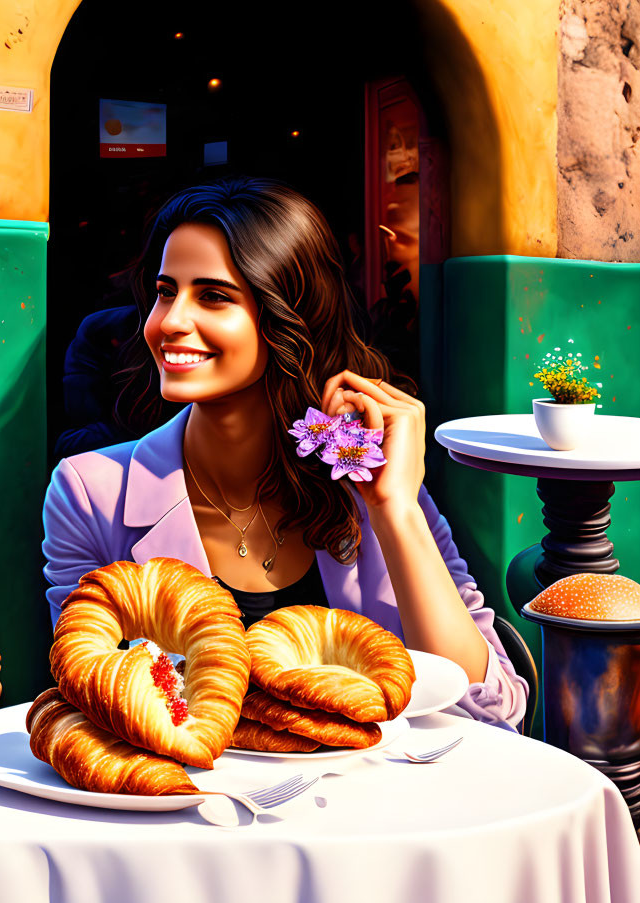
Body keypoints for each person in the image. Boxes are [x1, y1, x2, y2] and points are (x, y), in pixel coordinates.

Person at [42, 177, 526, 730]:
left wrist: (396, 513)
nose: (170, 321)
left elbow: (489, 712)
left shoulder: (368, 484)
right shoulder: (89, 493)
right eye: (165, 291)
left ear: (288, 317)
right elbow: (97, 696)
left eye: (214, 296)